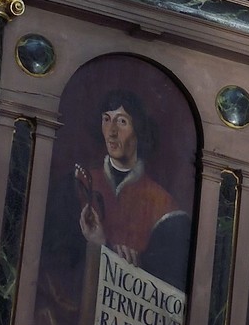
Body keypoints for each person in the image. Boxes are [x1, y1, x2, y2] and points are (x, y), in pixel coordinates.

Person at [75, 90, 189, 284]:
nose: (111, 132)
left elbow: (168, 281)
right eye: (106, 119)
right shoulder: (81, 182)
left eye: (121, 122)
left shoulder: (164, 206)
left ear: (139, 130)